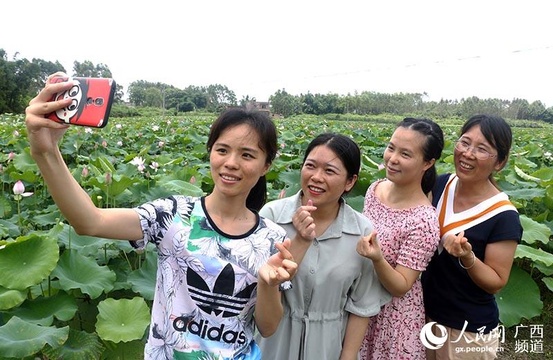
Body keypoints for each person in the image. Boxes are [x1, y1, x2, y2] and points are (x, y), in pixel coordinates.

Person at [25, 73, 298, 360]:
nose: (231, 163)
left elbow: (267, 328)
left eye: (247, 155)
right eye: (222, 150)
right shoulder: (173, 214)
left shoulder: (272, 238)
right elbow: (89, 221)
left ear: (266, 165)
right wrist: (45, 151)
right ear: (210, 153)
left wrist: (268, 284)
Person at [255, 133, 391, 360]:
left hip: (328, 345)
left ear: (350, 182)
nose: (316, 177)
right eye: (310, 166)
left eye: (329, 171)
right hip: (273, 341)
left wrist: (347, 356)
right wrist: (301, 240)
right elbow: (260, 290)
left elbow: (361, 304)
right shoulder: (272, 217)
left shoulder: (362, 230)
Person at [421, 114, 523, 359]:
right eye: (465, 143)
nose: (467, 153)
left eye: (482, 149)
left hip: (467, 329)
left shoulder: (503, 215)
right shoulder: (441, 184)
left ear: (500, 162)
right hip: (426, 315)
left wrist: (468, 257)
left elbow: (496, 280)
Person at [356, 117, 445, 359]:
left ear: (428, 162)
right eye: (391, 147)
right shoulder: (374, 189)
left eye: (405, 154)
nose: (392, 158)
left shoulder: (424, 220)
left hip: (393, 319)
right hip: (360, 302)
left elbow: (401, 286)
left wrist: (377, 258)